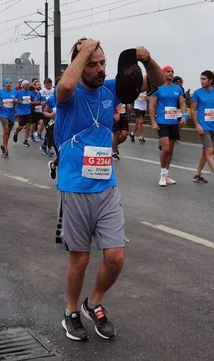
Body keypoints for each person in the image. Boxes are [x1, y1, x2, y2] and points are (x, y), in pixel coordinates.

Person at [55, 38, 163, 341]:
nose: (100, 68)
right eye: (93, 63)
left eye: (103, 62)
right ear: (79, 65)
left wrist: (148, 61)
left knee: (115, 257)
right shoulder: (68, 93)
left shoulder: (110, 88)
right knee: (81, 259)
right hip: (75, 188)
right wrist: (84, 51)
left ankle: (94, 302)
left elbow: (153, 83)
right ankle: (71, 311)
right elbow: (64, 86)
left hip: (106, 187)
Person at [149, 66, 187, 186]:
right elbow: (151, 106)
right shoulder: (158, 88)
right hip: (162, 122)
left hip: (173, 122)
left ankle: (167, 175)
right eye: (168, 71)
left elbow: (182, 103)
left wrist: (184, 116)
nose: (170, 73)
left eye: (172, 72)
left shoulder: (178, 89)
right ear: (163, 74)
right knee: (165, 149)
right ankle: (162, 175)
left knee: (170, 151)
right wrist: (153, 122)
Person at [0, 79, 17, 157]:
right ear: (4, 84)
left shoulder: (14, 92)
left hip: (12, 114)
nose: (9, 84)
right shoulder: (0, 92)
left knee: (8, 132)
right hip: (3, 114)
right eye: (7, 83)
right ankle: (6, 149)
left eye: (10, 83)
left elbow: (18, 100)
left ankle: (3, 145)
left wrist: (16, 101)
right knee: (6, 130)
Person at [13, 80, 37, 147]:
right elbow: (14, 100)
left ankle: (25, 141)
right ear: (23, 85)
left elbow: (34, 99)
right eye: (27, 85)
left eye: (29, 84)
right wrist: (17, 101)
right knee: (21, 126)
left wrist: (33, 102)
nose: (29, 86)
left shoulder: (29, 93)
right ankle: (16, 132)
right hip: (20, 112)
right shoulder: (18, 93)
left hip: (28, 111)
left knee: (28, 126)